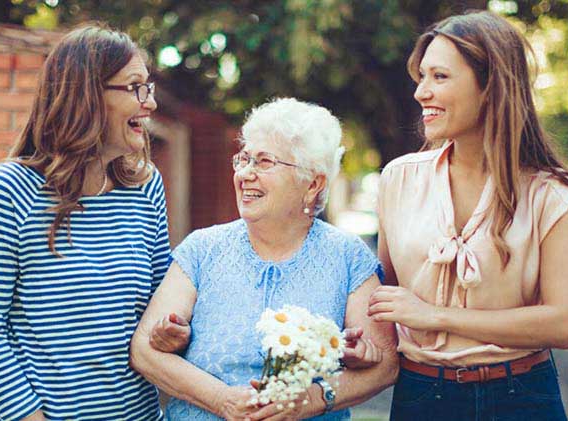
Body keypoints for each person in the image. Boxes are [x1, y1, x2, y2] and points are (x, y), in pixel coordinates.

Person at [368, 10, 568, 421]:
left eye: (439, 77)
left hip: (524, 396)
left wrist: (437, 316)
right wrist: (363, 343)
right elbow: (387, 298)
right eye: (421, 77)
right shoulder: (398, 180)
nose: (421, 92)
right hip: (421, 396)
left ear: (490, 86)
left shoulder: (552, 195)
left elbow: (563, 323)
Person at [130, 97, 398, 421]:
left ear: (312, 184)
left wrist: (311, 400)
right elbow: (144, 348)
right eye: (243, 160)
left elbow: (384, 364)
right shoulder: (203, 249)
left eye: (264, 162)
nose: (245, 173)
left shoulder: (348, 257)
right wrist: (222, 400)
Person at [0, 25, 169, 421]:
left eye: (150, 87)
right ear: (87, 95)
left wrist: (171, 330)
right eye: (135, 87)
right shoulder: (9, 190)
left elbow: (160, 307)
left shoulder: (146, 186)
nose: (150, 104)